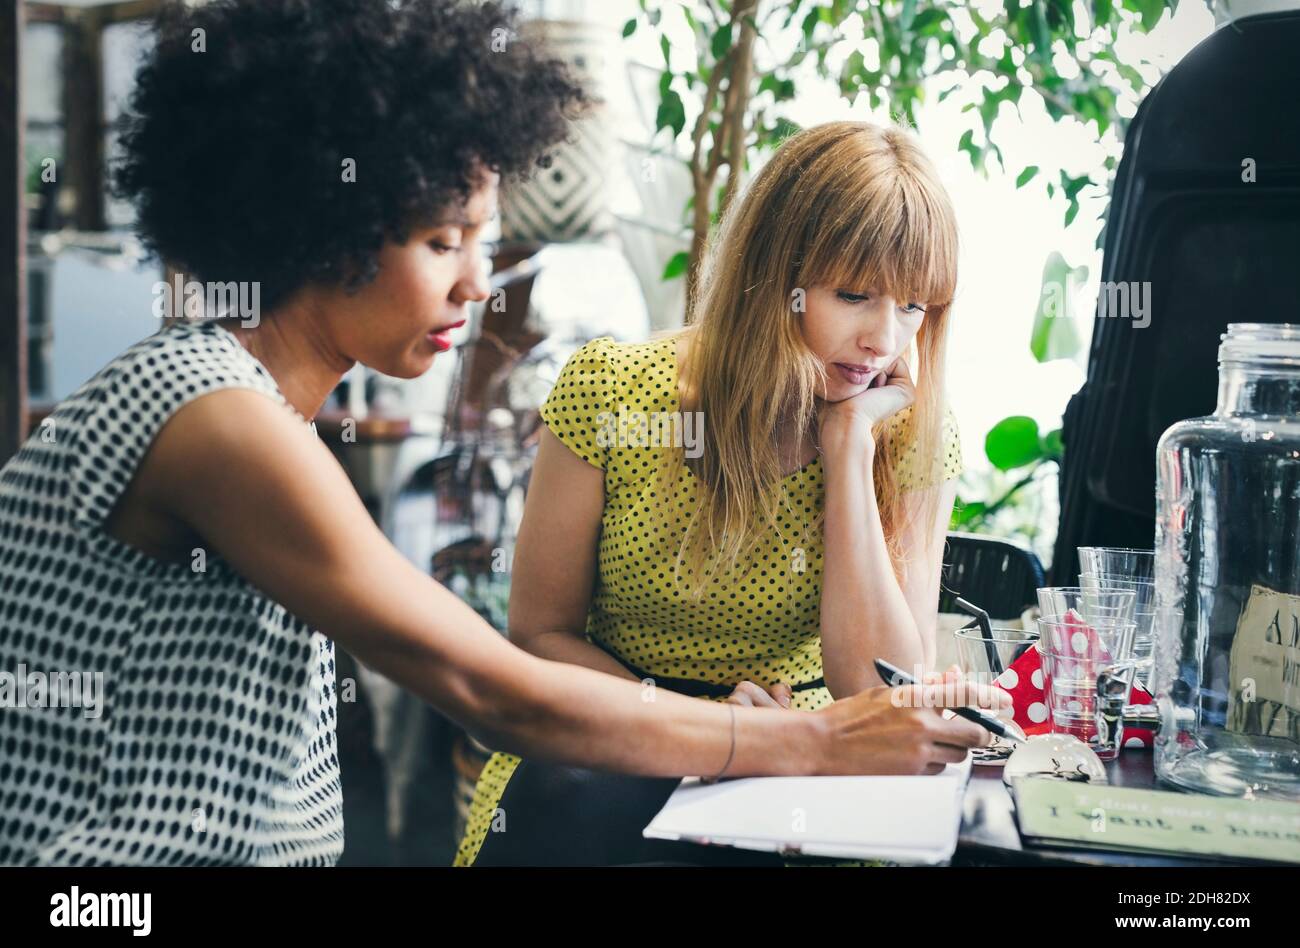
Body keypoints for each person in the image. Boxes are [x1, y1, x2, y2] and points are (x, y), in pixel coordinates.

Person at [0, 1, 1003, 867]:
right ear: (318, 224)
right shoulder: (214, 418)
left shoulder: (255, 412)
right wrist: (812, 740)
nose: (479, 284)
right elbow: (495, 684)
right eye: (444, 240)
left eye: (482, 238)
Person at [457, 120, 972, 866]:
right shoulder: (613, 393)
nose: (884, 340)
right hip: (615, 740)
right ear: (775, 276)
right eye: (854, 294)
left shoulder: (910, 427)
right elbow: (540, 634)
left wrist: (849, 449)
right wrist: (705, 731)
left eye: (915, 306)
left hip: (807, 761)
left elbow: (874, 689)